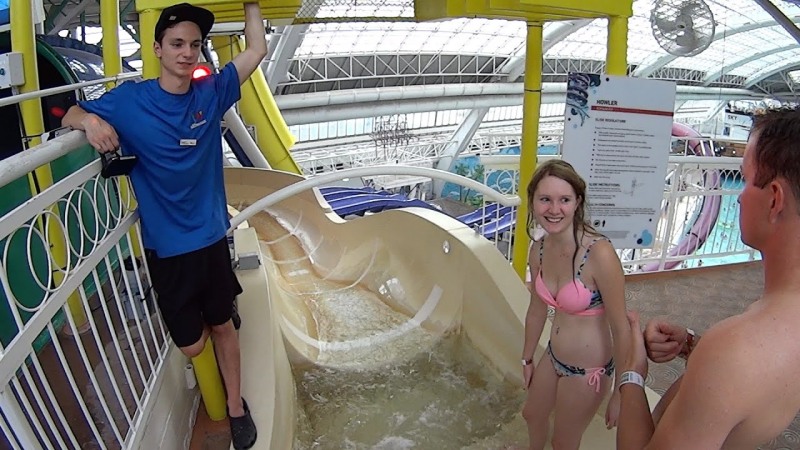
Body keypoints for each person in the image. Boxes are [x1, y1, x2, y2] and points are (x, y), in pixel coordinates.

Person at [62, 3, 268, 449]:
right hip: (166, 246)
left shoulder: (211, 93)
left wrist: (252, 4)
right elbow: (68, 114)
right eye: (177, 44)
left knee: (223, 327)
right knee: (191, 345)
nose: (187, 53)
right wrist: (91, 121)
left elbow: (256, 50)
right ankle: (216, 320)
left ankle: (236, 407)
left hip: (210, 236)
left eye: (194, 45)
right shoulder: (130, 101)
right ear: (157, 49)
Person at [617, 107, 800, 450]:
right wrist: (690, 344)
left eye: (746, 180)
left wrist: (632, 373)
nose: (740, 196)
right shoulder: (775, 323)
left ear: (774, 199)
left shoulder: (735, 348)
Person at [521, 159, 631, 449]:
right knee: (531, 415)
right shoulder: (538, 249)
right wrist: (527, 358)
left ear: (577, 202)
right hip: (553, 356)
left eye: (564, 200)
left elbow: (622, 328)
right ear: (533, 202)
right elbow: (536, 310)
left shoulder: (599, 254)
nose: (554, 209)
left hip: (587, 372)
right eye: (545, 199)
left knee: (563, 442)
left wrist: (621, 392)